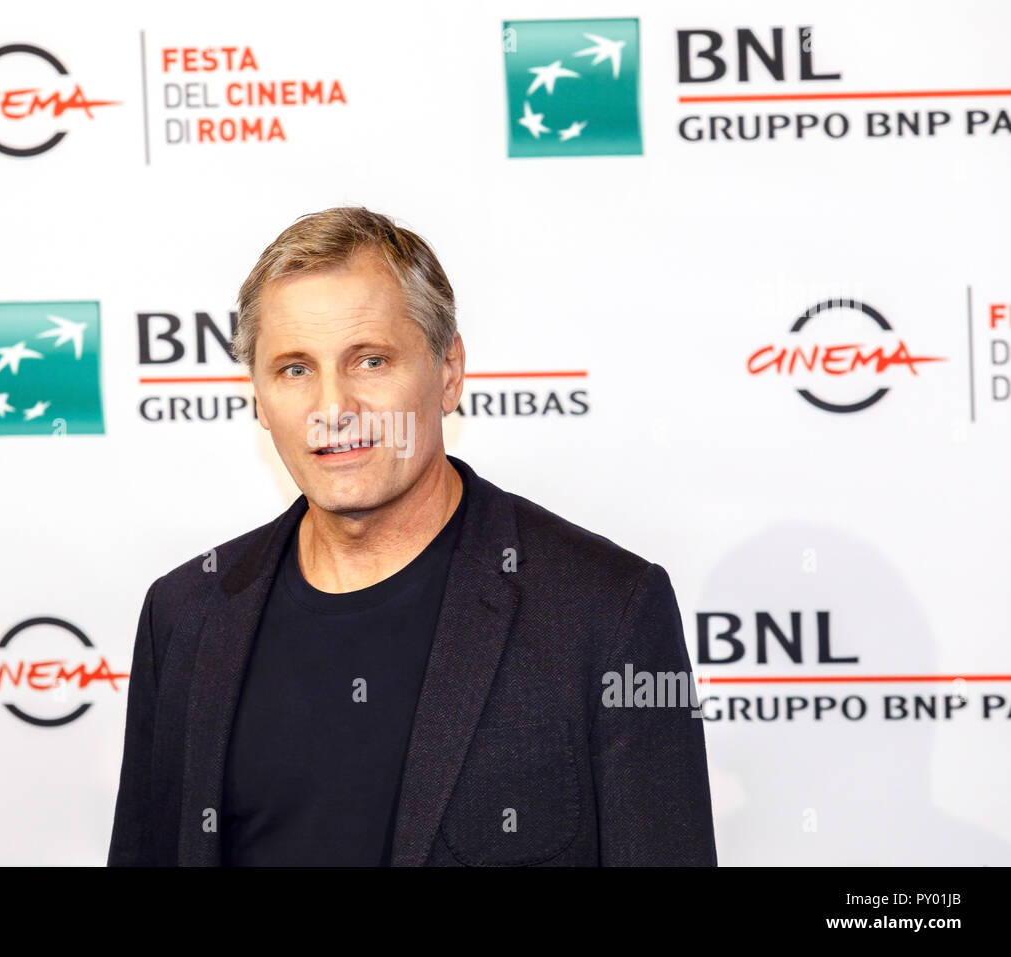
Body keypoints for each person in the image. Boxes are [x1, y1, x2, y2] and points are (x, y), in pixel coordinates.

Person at [107, 206, 717, 866]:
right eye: (294, 368)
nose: (334, 409)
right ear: (256, 393)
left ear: (448, 370)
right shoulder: (186, 615)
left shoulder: (604, 611)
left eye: (370, 360)